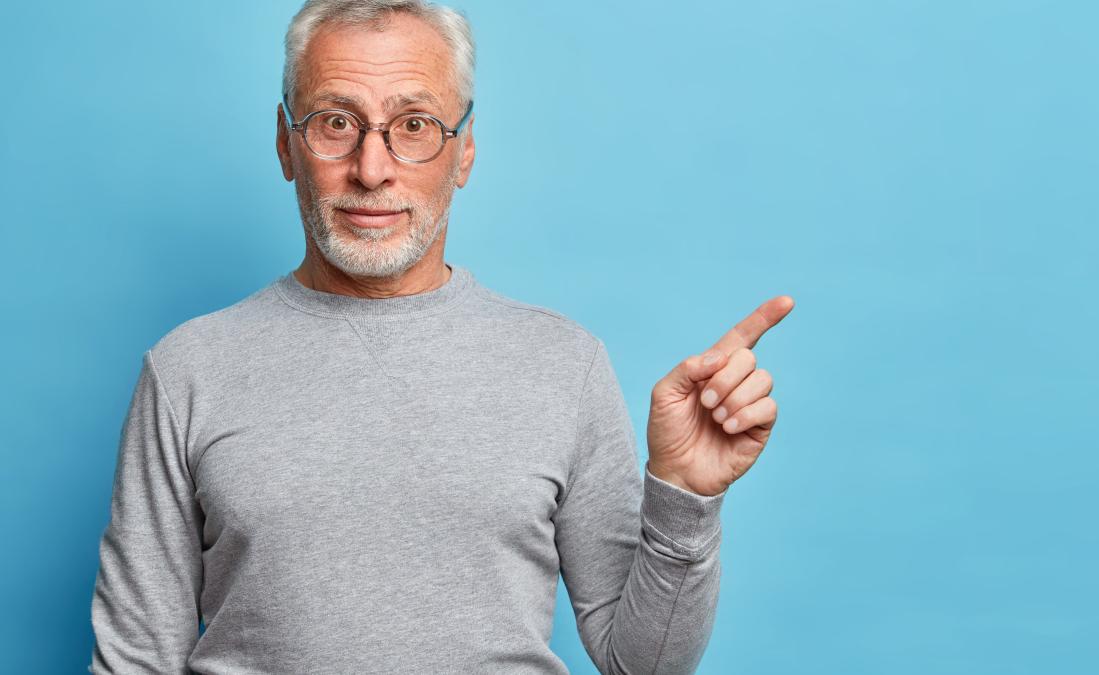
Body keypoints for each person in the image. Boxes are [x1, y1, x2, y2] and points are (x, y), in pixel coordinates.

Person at [87, 1, 793, 673]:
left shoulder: (563, 365)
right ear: (285, 143)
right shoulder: (188, 370)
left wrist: (685, 499)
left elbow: (643, 664)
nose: (372, 169)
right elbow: (134, 660)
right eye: (336, 122)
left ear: (464, 153)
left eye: (415, 125)